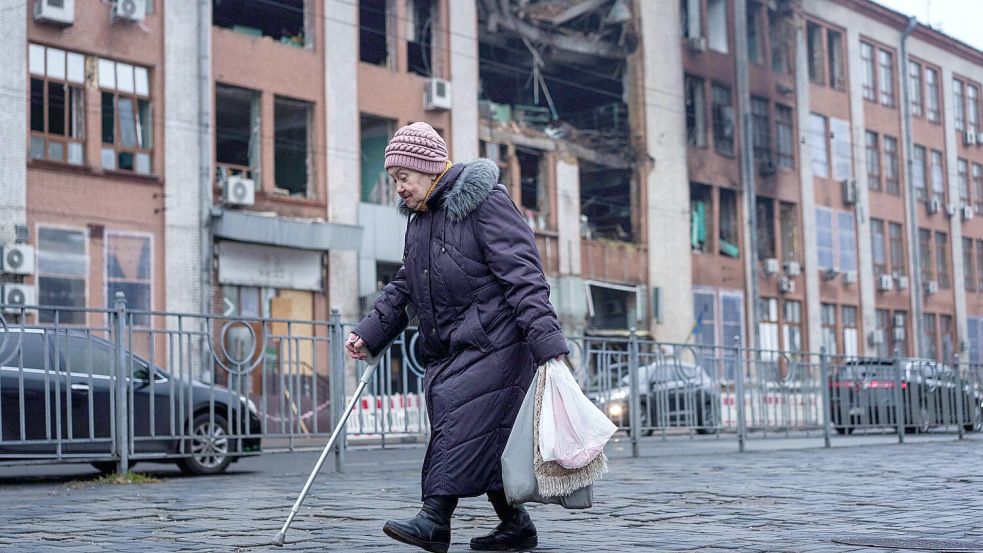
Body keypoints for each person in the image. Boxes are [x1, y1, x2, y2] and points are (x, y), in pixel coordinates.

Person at [346, 122, 568, 553]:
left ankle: (434, 518)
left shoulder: (485, 204)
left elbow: (525, 276)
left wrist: (549, 347)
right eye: (394, 180)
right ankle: (515, 524)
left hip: (497, 344)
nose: (398, 189)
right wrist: (369, 333)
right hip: (452, 346)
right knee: (485, 437)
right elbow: (406, 284)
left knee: (457, 418)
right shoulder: (422, 220)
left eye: (403, 178)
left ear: (429, 169)